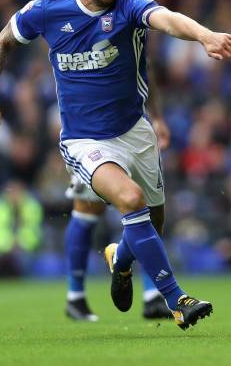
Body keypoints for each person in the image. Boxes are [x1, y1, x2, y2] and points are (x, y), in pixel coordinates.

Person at [0, 0, 231, 330]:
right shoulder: (48, 10)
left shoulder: (129, 6)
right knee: (128, 201)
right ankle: (176, 300)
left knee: (153, 222)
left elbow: (165, 19)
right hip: (84, 140)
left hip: (135, 131)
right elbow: (0, 44)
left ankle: (120, 260)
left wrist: (204, 35)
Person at [63, 66, 172, 322]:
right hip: (90, 134)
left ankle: (151, 294)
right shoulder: (75, 32)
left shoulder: (130, 28)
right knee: (88, 209)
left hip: (132, 131)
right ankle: (75, 296)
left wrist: (156, 116)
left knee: (149, 209)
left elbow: (144, 68)